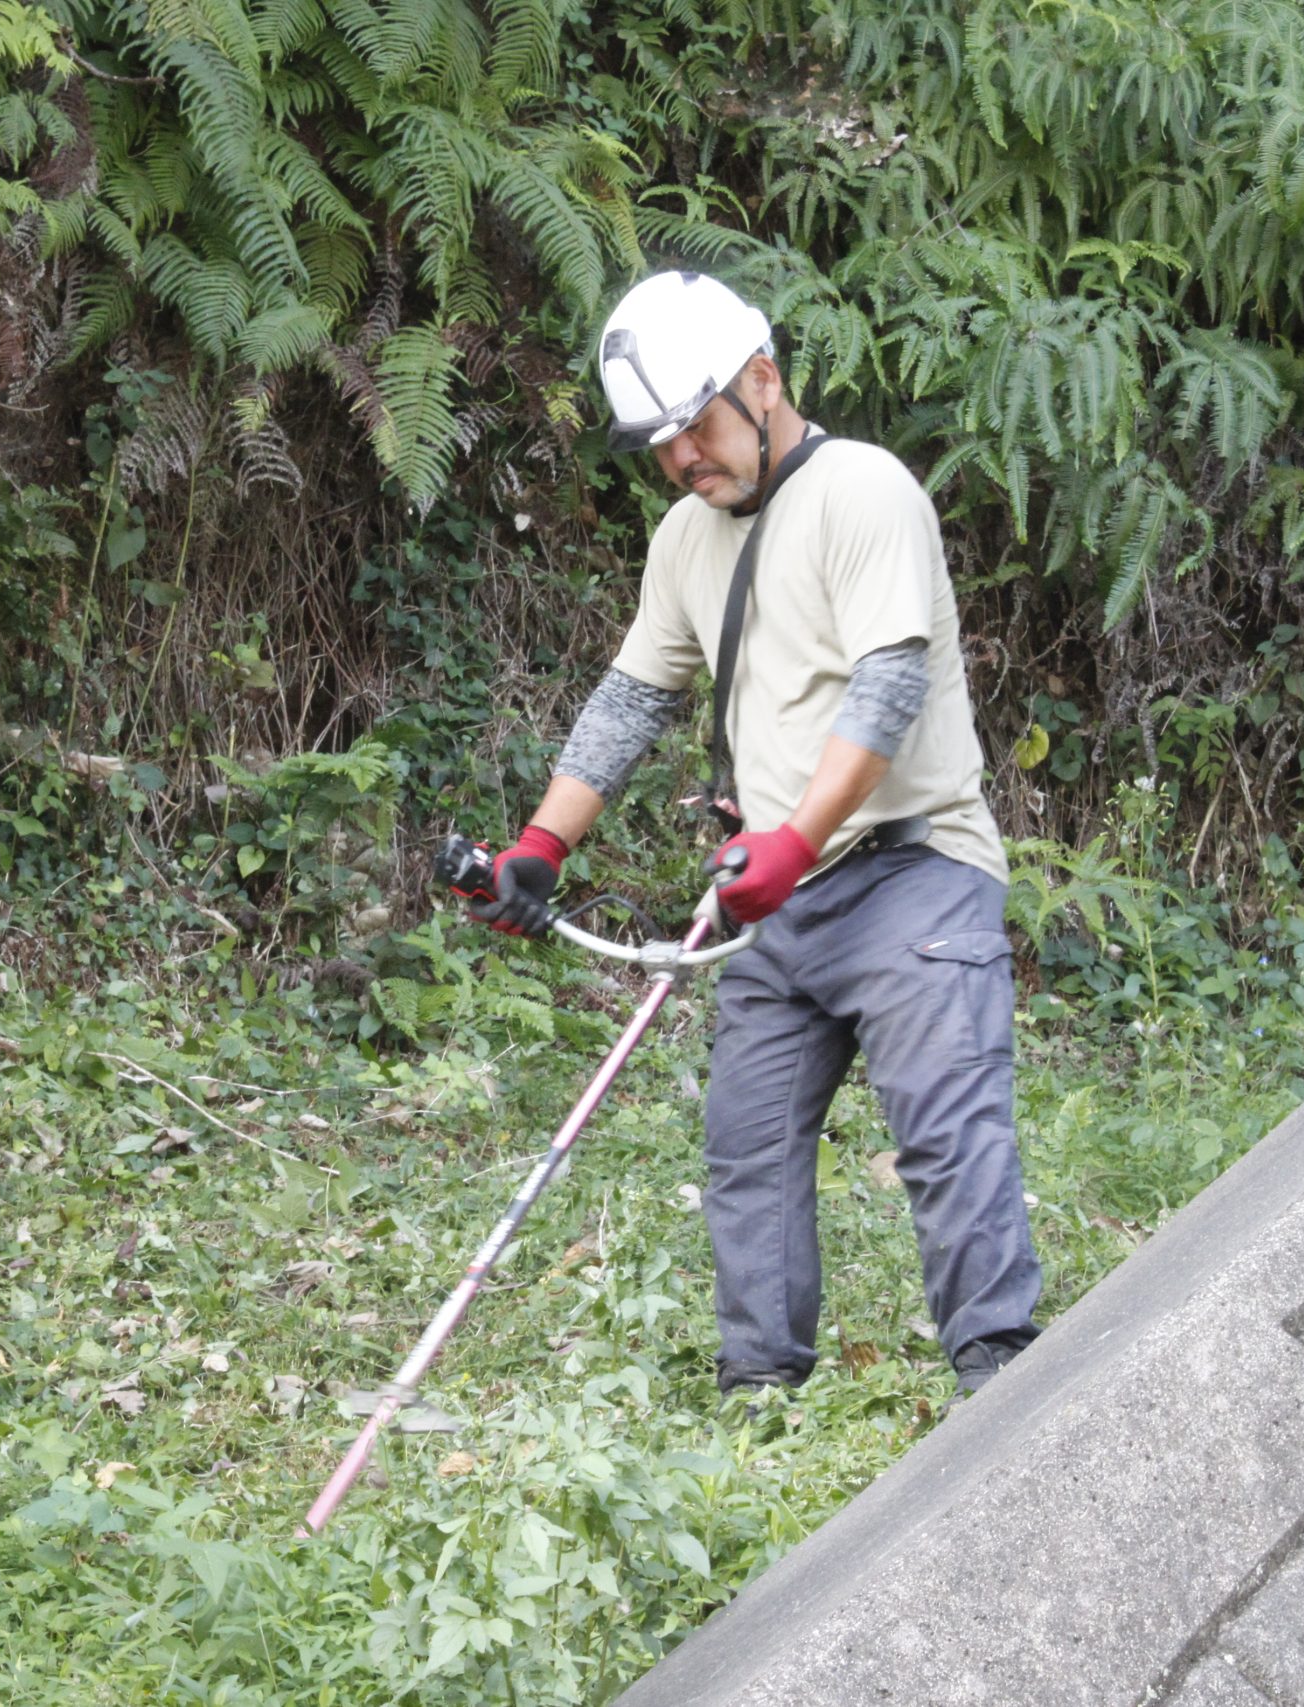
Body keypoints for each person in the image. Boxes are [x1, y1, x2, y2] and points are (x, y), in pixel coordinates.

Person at [470, 270, 1042, 1396]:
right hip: (772, 905)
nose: (683, 459)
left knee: (943, 1130)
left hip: (910, 870)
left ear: (764, 379)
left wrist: (795, 840)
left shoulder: (862, 491)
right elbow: (631, 699)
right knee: (745, 1149)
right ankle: (758, 1400)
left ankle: (1002, 1386)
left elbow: (888, 681)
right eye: (661, 444)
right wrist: (539, 848)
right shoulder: (687, 538)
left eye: (698, 426)